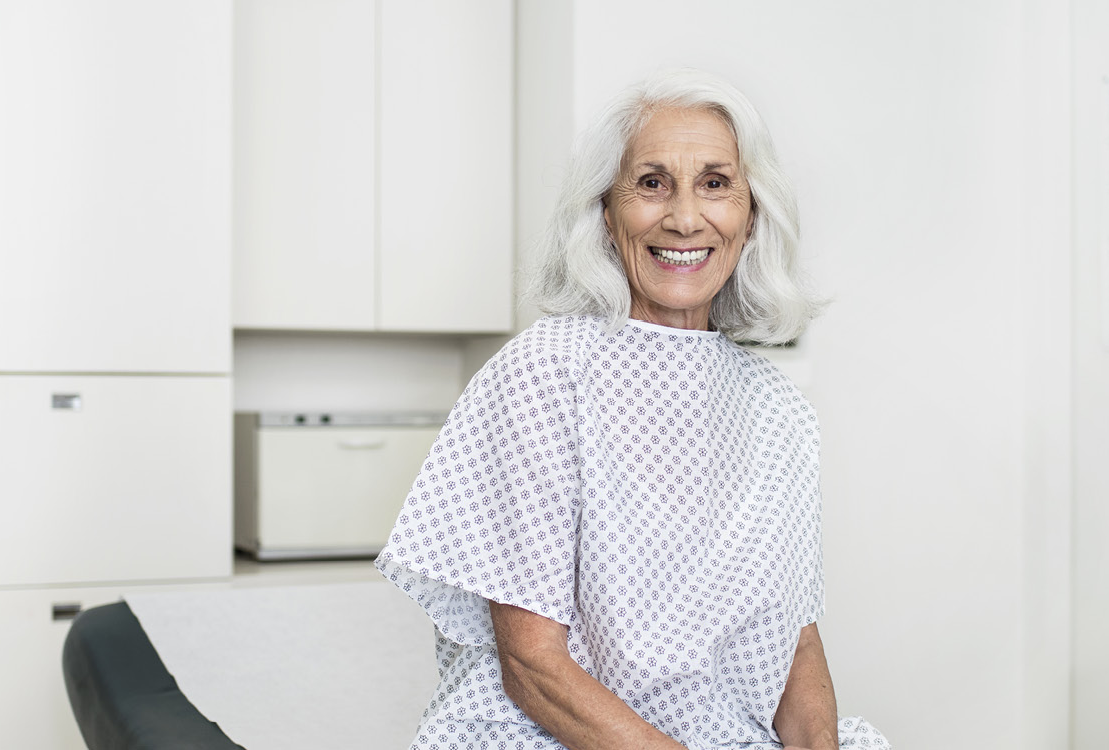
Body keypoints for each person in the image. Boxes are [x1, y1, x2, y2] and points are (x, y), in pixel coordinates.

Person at [375, 69, 889, 750]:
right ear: (607, 215)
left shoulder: (780, 412)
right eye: (651, 183)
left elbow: (793, 641)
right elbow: (533, 665)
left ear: (751, 215)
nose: (683, 217)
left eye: (715, 183)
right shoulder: (546, 373)